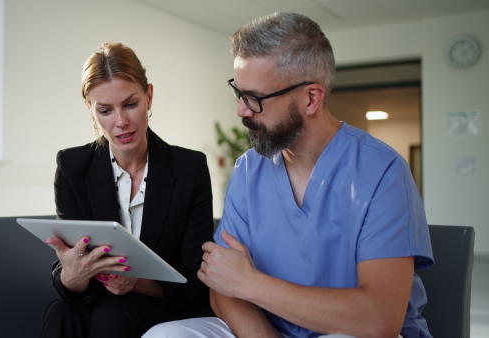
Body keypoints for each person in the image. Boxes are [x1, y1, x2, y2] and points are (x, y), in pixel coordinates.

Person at [143, 12, 434, 338]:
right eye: (239, 93)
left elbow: (378, 319)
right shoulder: (248, 169)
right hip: (268, 329)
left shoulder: (382, 172)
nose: (241, 110)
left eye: (255, 98)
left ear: (311, 98)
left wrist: (250, 282)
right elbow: (222, 285)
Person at [40, 41, 214, 338]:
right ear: (90, 110)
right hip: (98, 297)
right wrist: (72, 277)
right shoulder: (72, 166)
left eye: (130, 104)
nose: (121, 122)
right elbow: (66, 271)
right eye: (105, 110)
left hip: (161, 303)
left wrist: (138, 283)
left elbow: (196, 279)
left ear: (149, 96)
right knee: (61, 313)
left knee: (115, 315)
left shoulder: (190, 168)